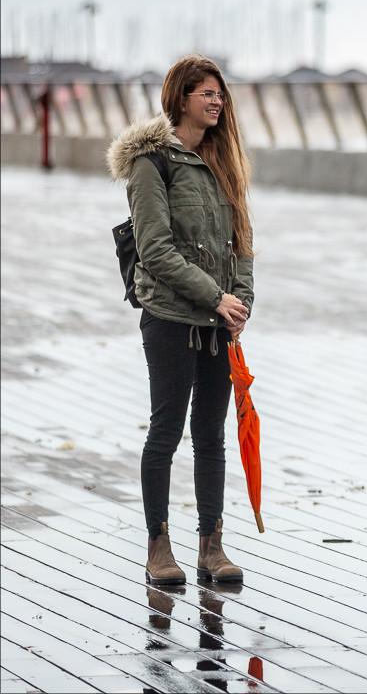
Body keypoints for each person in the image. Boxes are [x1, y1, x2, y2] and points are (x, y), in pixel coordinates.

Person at [105, 54, 254, 585]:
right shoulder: (153, 163)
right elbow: (155, 249)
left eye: (220, 93)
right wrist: (217, 297)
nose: (216, 101)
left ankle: (211, 546)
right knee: (166, 430)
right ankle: (158, 547)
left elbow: (243, 245)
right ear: (180, 98)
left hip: (217, 323)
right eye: (205, 93)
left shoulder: (222, 162)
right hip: (169, 317)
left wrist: (241, 303)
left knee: (211, 435)